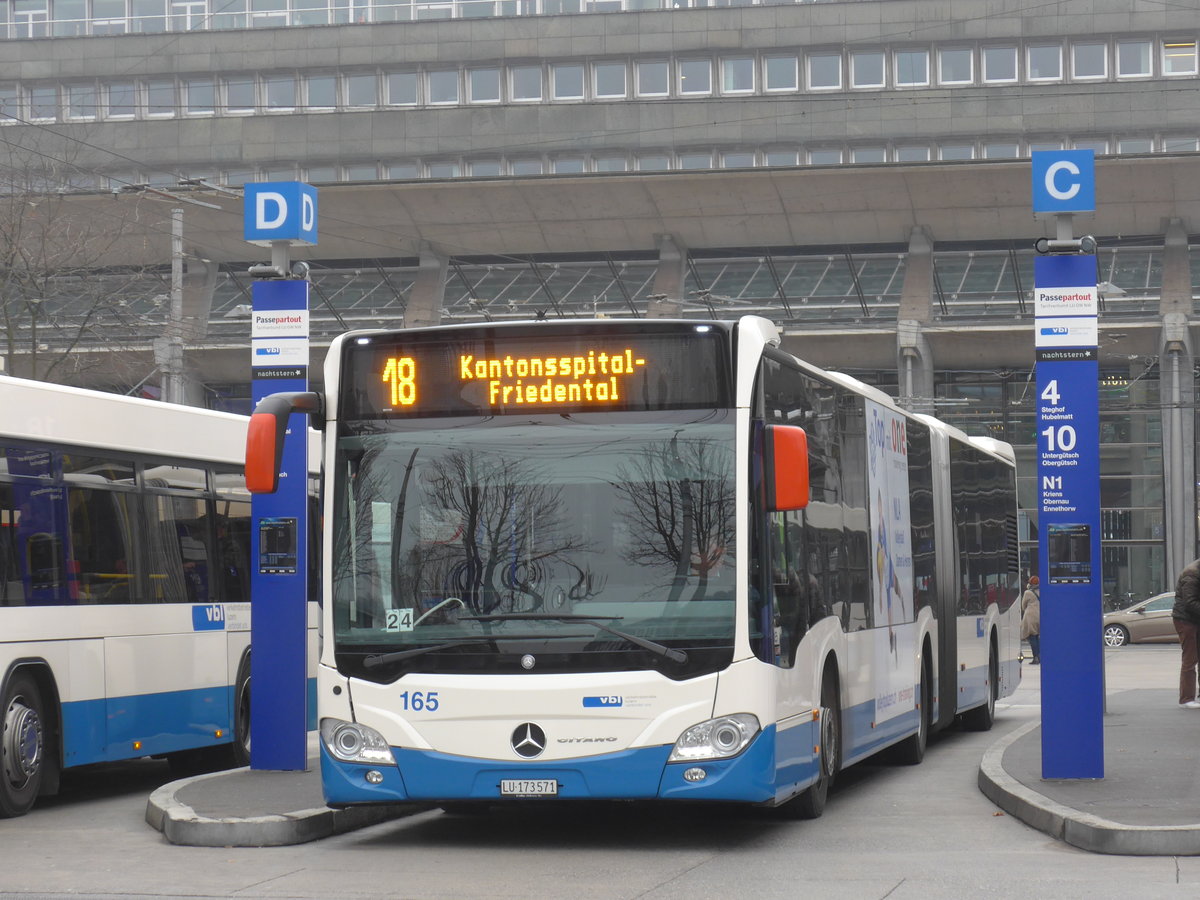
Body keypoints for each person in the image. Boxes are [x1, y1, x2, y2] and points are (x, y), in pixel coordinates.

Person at [1171, 558, 1200, 709]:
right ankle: (1187, 698)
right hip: (1186, 620)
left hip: (1195, 619)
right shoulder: (1192, 574)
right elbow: (1190, 603)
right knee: (1190, 658)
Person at [1020, 576, 1041, 665]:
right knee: (1037, 636)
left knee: (1032, 636)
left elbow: (1023, 605)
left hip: (1030, 616)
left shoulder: (1027, 592)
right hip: (1040, 615)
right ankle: (1039, 656)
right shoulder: (1042, 591)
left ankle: (1035, 657)